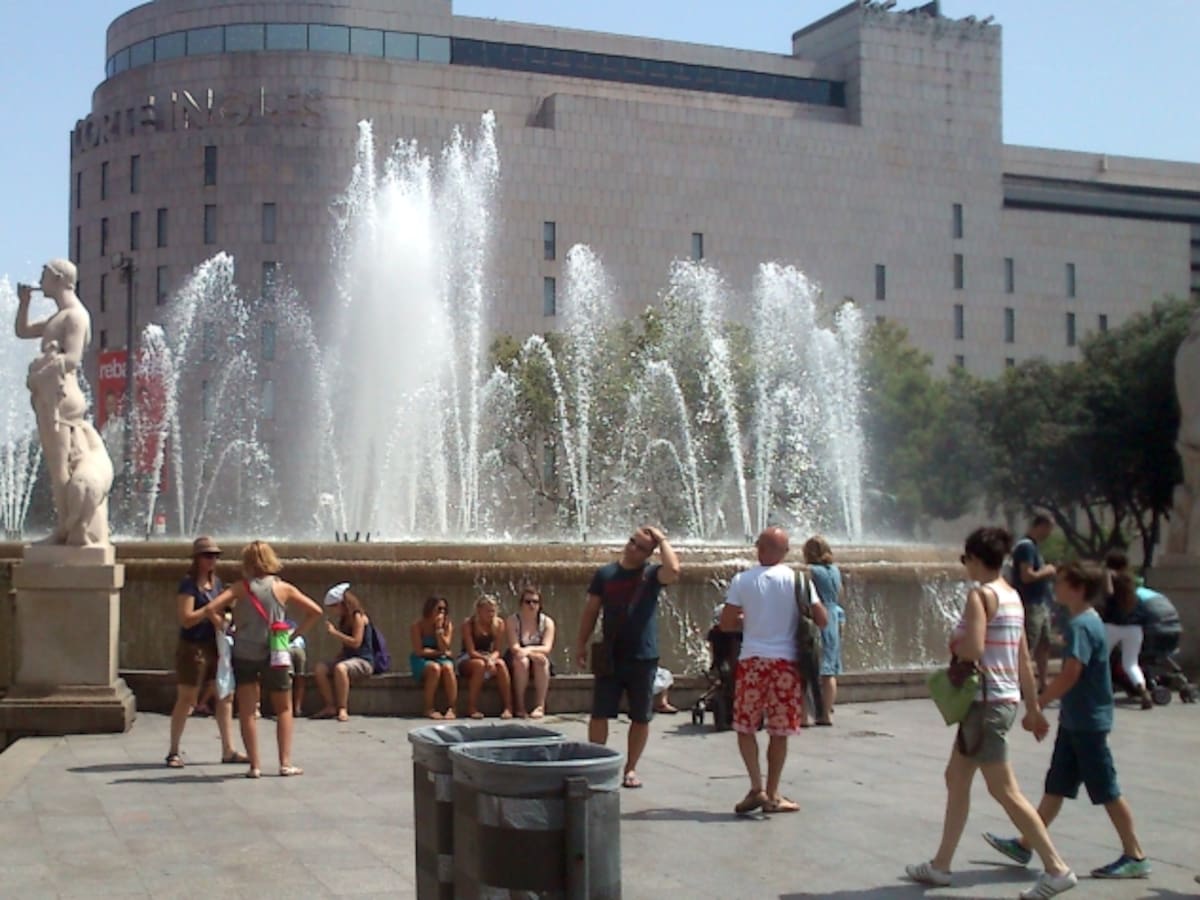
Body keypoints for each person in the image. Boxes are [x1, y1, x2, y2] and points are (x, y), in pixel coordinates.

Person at [905, 526, 1076, 899]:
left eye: (966, 559)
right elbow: (1023, 659)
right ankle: (941, 865)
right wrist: (1032, 707)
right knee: (956, 777)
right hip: (1002, 700)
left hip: (984, 703)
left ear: (977, 559)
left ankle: (1056, 867)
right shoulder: (1013, 596)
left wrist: (956, 643)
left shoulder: (980, 596)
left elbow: (974, 650)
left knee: (1005, 790)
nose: (965, 566)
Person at [983, 562, 1151, 881]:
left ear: (1077, 589)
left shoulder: (1081, 626)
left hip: (1088, 723)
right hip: (1077, 720)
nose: (1055, 587)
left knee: (1107, 789)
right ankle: (1025, 842)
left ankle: (1135, 854)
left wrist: (1039, 704)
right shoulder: (1086, 621)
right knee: (1057, 785)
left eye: (1060, 582)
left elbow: (1072, 671)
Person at [718, 527, 827, 815]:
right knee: (779, 731)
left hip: (752, 661)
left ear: (761, 549)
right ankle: (774, 793)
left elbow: (726, 624)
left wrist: (749, 621)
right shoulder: (798, 580)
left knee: (745, 726)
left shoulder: (742, 580)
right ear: (783, 551)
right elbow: (822, 619)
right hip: (786, 664)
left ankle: (757, 787)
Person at [15, 259, 113, 546]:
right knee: (58, 466)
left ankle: (66, 529)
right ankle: (70, 526)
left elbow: (72, 359)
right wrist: (24, 303)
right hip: (51, 396)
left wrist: (38, 372)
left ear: (58, 279)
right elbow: (22, 331)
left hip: (60, 398)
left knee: (60, 469)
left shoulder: (75, 316)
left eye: (44, 275)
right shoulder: (61, 316)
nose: (40, 280)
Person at [575, 525, 681, 790]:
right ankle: (595, 762)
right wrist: (580, 643)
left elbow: (674, 570)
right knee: (600, 713)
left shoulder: (652, 575)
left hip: (643, 655)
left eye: (641, 546)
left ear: (649, 553)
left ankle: (631, 768)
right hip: (611, 653)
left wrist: (663, 538)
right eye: (632, 542)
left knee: (640, 716)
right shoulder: (605, 574)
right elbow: (591, 611)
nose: (633, 547)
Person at [206, 541, 322, 778]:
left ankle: (255, 766)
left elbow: (211, 609)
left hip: (244, 652)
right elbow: (316, 611)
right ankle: (285, 763)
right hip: (276, 651)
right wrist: (293, 635)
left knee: (247, 711)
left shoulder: (240, 588)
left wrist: (226, 629)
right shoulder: (283, 588)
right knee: (284, 709)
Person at [165, 536, 244, 768]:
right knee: (187, 698)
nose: (213, 560)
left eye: (215, 556)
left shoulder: (217, 583)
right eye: (208, 556)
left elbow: (220, 614)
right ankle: (173, 751)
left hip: (215, 645)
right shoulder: (188, 585)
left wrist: (225, 620)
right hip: (192, 647)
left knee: (224, 696)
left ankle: (228, 749)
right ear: (197, 558)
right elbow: (186, 619)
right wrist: (208, 611)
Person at [312, 582, 375, 722]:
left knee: (341, 669)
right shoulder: (344, 620)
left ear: (342, 604)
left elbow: (356, 642)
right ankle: (330, 705)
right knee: (320, 668)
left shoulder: (358, 617)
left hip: (364, 660)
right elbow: (346, 646)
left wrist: (335, 633)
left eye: (334, 607)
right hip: (349, 658)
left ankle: (342, 708)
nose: (333, 611)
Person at [1100, 551, 1152, 710]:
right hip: (1134, 627)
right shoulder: (1130, 581)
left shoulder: (1111, 578)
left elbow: (1108, 594)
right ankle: (1143, 692)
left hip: (1112, 626)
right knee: (1130, 663)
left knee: (1101, 660)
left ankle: (1100, 692)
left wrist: (1106, 577)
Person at [1013, 514, 1058, 693]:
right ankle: (1020, 682)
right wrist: (1047, 571)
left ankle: (1042, 681)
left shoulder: (1034, 547)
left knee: (1044, 643)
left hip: (1041, 602)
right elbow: (1026, 575)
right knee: (1028, 644)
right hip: (1031, 603)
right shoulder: (1026, 547)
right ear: (1038, 526)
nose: (1049, 533)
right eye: (1048, 528)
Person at [804, 535, 845, 726]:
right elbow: (840, 594)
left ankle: (804, 716)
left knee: (806, 668)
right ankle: (826, 714)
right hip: (834, 617)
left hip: (817, 618)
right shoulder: (835, 570)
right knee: (829, 671)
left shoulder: (810, 571)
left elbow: (805, 596)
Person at [459, 594, 513, 719]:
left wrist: (491, 659)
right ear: (479, 610)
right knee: (480, 665)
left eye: (493, 611)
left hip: (488, 657)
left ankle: (508, 707)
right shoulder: (468, 624)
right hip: (467, 658)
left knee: (501, 664)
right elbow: (471, 651)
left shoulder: (499, 623)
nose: (491, 614)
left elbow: (497, 650)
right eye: (487, 611)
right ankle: (471, 707)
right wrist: (486, 659)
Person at [505, 585, 556, 719]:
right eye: (528, 602)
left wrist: (528, 650)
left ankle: (540, 705)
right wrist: (527, 653)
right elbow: (514, 647)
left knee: (542, 661)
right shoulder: (512, 621)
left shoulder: (547, 622)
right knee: (522, 661)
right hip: (517, 658)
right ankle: (520, 706)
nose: (531, 605)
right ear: (521, 604)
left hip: (536, 656)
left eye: (535, 602)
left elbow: (547, 647)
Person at [410, 595, 457, 719]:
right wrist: (440, 653)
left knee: (448, 668)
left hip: (440, 657)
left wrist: (439, 630)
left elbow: (445, 646)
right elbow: (419, 651)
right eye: (439, 609)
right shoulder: (417, 626)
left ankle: (452, 708)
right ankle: (428, 708)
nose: (442, 612)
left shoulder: (447, 625)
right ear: (430, 609)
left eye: (444, 609)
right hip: (422, 659)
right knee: (434, 669)